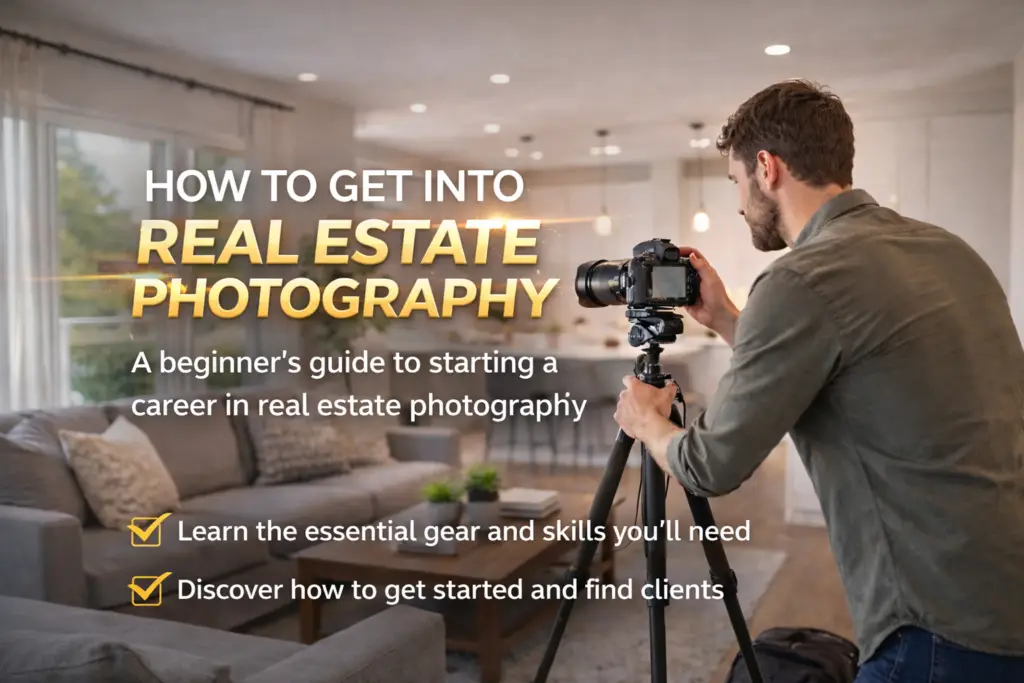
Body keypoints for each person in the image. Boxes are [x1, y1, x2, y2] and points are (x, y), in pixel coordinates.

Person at [613, 79, 1024, 683]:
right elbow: (848, 358)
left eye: (734, 182)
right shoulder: (947, 249)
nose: (738, 203)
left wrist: (645, 421)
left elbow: (709, 466)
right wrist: (726, 317)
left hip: (934, 626)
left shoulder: (801, 278)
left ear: (766, 168)